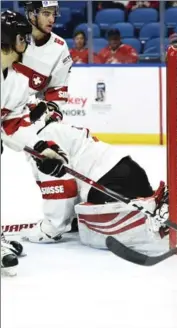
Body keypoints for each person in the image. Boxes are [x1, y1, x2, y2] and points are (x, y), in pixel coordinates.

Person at [22, 109, 169, 247]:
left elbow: (62, 190)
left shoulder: (42, 141)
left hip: (105, 186)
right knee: (147, 206)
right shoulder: (59, 129)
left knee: (129, 224)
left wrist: (50, 228)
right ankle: (161, 206)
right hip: (131, 170)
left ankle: (153, 212)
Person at [1, 10, 68, 275]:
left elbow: (14, 124)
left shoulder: (17, 81)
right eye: (22, 38)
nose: (26, 44)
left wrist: (42, 149)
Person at [18, 1, 72, 112]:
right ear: (32, 14)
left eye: (53, 14)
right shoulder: (11, 38)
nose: (52, 20)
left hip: (32, 114)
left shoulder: (59, 47)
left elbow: (57, 90)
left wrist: (49, 112)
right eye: (46, 14)